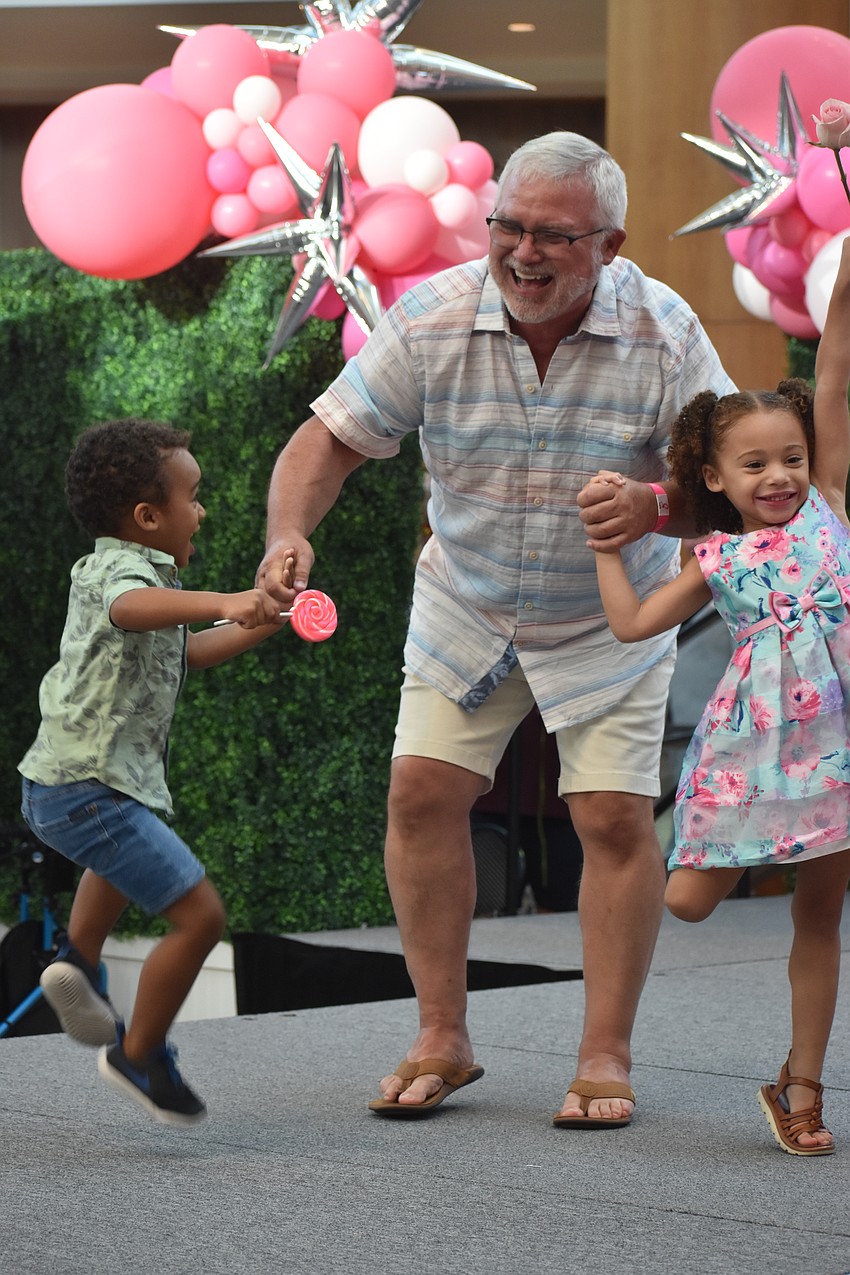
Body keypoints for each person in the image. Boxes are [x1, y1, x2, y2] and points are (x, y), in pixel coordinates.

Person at [257, 131, 734, 1125]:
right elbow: (326, 442)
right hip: (467, 600)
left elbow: (731, 486)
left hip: (609, 611)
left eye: (552, 236)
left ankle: (604, 1053)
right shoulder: (430, 314)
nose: (521, 252)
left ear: (610, 244)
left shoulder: (667, 328)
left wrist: (657, 506)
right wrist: (287, 535)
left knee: (607, 817)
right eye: (506, 227)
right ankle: (442, 1035)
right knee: (421, 793)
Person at [589, 236, 850, 1155]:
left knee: (821, 913)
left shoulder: (829, 506)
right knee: (691, 902)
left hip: (841, 749)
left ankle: (803, 1085)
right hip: (757, 757)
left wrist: (846, 255)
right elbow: (632, 625)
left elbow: (837, 364)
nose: (779, 476)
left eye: (790, 458)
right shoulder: (717, 557)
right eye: (754, 466)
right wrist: (605, 551)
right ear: (712, 477)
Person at [19, 418, 287, 1126]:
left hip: (70, 786)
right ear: (147, 516)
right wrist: (228, 598)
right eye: (193, 496)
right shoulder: (119, 572)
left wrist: (263, 620)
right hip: (87, 789)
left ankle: (77, 958)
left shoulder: (147, 579)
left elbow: (188, 653)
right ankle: (140, 1054)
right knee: (201, 918)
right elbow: (131, 608)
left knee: (119, 846)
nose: (202, 510)